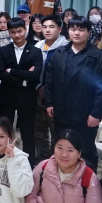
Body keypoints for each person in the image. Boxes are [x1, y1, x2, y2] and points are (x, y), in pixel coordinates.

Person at [43, 16, 102, 171]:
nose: (76, 33)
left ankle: (88, 182)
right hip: (61, 111)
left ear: (89, 32)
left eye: (81, 30)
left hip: (85, 115)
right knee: (62, 147)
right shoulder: (59, 53)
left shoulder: (97, 56)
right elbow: (49, 81)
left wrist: (96, 113)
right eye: (73, 29)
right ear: (68, 31)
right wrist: (49, 103)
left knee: (85, 150)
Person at [0, 17, 43, 165]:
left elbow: (35, 75)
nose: (17, 35)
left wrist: (12, 71)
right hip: (6, 96)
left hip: (27, 98)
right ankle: (2, 161)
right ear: (9, 32)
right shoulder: (4, 50)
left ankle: (28, 164)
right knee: (4, 132)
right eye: (13, 32)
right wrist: (23, 79)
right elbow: (0, 73)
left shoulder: (35, 51)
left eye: (19, 31)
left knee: (28, 133)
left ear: (25, 30)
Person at [25, 129, 102, 203]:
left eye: (70, 150)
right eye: (60, 148)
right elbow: (30, 194)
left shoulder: (89, 177)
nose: (64, 155)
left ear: (79, 154)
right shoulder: (43, 167)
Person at [33, 15, 68, 162]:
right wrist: (38, 86)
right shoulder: (38, 46)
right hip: (37, 94)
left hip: (57, 98)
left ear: (59, 29)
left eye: (52, 27)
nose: (47, 30)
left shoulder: (66, 48)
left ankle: (56, 162)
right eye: (45, 27)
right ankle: (42, 161)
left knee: (57, 132)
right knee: (39, 133)